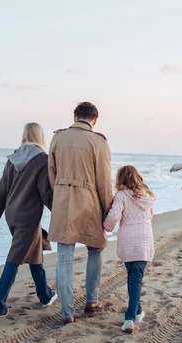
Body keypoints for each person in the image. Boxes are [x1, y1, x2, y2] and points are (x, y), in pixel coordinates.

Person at [48, 102, 113, 324]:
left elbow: (51, 173)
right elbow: (104, 181)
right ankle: (92, 301)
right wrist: (108, 209)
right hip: (89, 201)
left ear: (75, 116)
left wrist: (58, 196)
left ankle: (67, 312)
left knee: (64, 258)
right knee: (96, 250)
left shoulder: (58, 137)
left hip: (63, 202)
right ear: (94, 120)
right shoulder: (99, 141)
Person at [0, 123, 58, 320]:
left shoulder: (13, 158)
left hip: (12, 214)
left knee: (34, 253)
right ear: (40, 136)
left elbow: (2, 192)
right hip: (28, 217)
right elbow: (45, 192)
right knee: (14, 259)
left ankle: (45, 296)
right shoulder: (41, 159)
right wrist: (61, 211)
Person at [103, 166, 155, 333]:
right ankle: (136, 312)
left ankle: (129, 318)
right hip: (144, 238)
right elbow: (150, 215)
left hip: (128, 239)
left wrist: (106, 227)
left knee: (133, 276)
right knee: (135, 277)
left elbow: (113, 216)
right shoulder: (147, 196)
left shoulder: (120, 195)